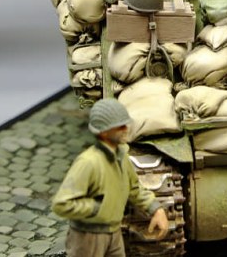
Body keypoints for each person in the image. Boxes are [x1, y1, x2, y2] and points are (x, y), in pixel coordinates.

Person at [52, 99, 169, 257]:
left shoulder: (121, 157)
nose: (126, 129)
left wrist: (156, 208)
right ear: (104, 132)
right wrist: (96, 208)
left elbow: (134, 189)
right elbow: (61, 204)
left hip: (114, 232)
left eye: (126, 124)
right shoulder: (89, 162)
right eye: (120, 126)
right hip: (88, 236)